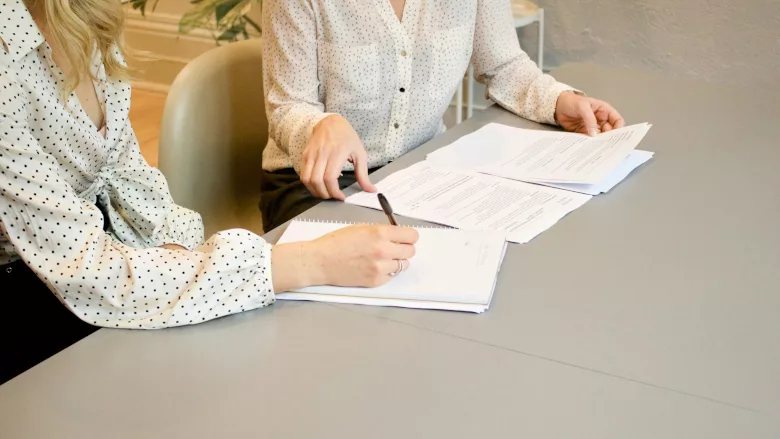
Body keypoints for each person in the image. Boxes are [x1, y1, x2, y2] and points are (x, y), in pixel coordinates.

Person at [0, 0, 418, 385]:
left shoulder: (85, 16)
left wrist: (184, 258)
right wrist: (309, 263)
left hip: (100, 261)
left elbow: (130, 182)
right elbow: (89, 272)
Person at [260, 0, 626, 231]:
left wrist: (558, 100)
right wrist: (320, 126)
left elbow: (503, 64)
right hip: (316, 185)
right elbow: (287, 106)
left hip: (420, 174)